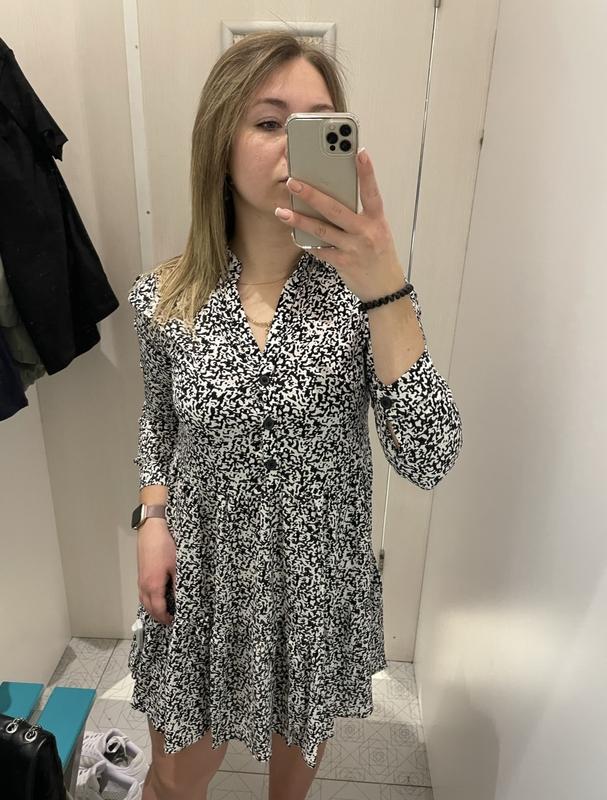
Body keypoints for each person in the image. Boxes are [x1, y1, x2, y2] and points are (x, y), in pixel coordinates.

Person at [127, 30, 463, 800]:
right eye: (269, 121)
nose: (292, 144)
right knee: (174, 778)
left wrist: (383, 281)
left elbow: (428, 455)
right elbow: (159, 422)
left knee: (295, 759)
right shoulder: (164, 297)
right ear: (220, 144)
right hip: (206, 576)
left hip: (316, 578)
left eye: (316, 125)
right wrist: (151, 518)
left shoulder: (367, 297)